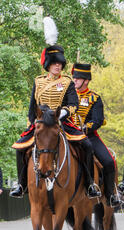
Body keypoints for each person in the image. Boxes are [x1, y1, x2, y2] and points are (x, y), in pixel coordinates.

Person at [10, 45, 101, 199]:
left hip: (61, 122)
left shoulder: (67, 82)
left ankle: (90, 184)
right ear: (48, 65)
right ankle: (21, 184)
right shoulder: (38, 82)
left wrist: (62, 113)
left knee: (87, 145)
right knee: (20, 147)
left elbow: (74, 105)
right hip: (40, 123)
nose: (58, 66)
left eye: (60, 63)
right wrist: (31, 124)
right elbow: (32, 107)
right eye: (54, 63)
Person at [71, 63, 120, 207]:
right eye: (74, 78)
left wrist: (85, 127)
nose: (74, 81)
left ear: (86, 81)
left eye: (78, 78)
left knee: (109, 161)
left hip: (88, 136)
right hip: (68, 133)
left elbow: (98, 120)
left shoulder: (95, 98)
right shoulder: (68, 96)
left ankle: (110, 194)